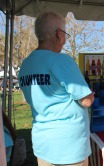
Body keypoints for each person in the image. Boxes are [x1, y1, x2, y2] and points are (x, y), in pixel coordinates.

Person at [18, 11, 95, 166]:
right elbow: (86, 100)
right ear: (59, 34)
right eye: (65, 33)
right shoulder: (62, 61)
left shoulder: (25, 64)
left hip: (43, 145)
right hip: (69, 148)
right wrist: (91, 94)